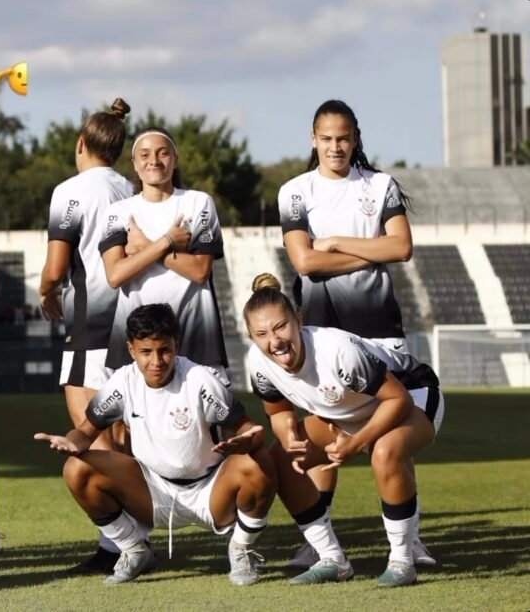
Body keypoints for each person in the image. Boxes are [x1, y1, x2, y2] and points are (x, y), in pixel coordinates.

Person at [277, 99, 431, 569]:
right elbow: (305, 261)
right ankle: (319, 541)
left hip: (380, 331)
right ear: (313, 139)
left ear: (355, 138)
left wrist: (337, 243)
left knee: (394, 433)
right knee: (324, 431)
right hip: (321, 335)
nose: (335, 147)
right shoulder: (295, 191)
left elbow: (402, 247)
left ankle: (411, 540)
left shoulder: (379, 185)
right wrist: (370, 252)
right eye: (326, 138)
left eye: (343, 138)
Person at [35, 303, 276, 586]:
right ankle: (134, 550)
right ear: (131, 350)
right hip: (152, 493)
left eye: (164, 350)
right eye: (146, 352)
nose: (157, 361)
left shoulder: (199, 379)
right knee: (76, 469)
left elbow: (250, 430)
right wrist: (70, 442)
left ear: (177, 345)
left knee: (259, 459)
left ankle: (241, 549)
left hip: (210, 491)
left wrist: (246, 442)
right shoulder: (123, 381)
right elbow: (85, 433)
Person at [244, 273, 444, 587]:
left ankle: (402, 561)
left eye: (281, 326)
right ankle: (331, 559)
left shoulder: (337, 350)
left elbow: (398, 399)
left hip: (412, 394)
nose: (275, 340)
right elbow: (278, 410)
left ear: (298, 319)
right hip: (353, 411)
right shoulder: (258, 363)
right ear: (251, 336)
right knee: (280, 459)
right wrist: (287, 437)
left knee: (385, 452)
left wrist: (357, 442)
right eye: (262, 333)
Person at [38, 98, 135, 574]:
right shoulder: (131, 188)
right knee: (126, 436)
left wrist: (46, 291)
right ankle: (140, 533)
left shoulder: (70, 191)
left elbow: (57, 266)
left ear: (81, 144)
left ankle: (119, 545)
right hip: (132, 320)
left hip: (90, 325)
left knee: (90, 435)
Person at [99, 127, 227, 379]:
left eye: (163, 153)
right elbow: (115, 275)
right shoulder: (118, 212)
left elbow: (200, 271)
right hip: (138, 339)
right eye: (145, 154)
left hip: (195, 335)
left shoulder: (199, 202)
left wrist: (144, 247)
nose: (154, 161)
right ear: (134, 163)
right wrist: (167, 242)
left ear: (175, 159)